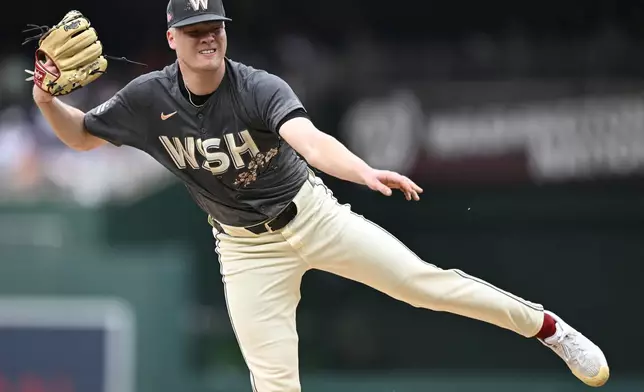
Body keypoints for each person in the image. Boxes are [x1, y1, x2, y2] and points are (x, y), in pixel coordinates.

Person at [30, 0, 610, 391]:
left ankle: (546, 328)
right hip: (244, 250)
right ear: (172, 38)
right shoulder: (144, 97)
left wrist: (362, 171)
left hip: (310, 216)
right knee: (274, 383)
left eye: (216, 27)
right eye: (195, 30)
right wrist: (45, 101)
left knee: (421, 285)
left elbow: (307, 138)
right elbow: (81, 137)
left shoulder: (257, 86)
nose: (209, 38)